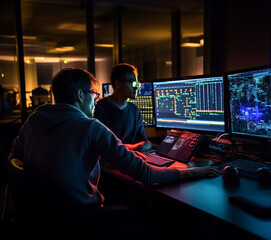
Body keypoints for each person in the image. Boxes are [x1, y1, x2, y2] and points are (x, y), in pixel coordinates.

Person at [8, 68, 217, 232]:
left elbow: (14, 160)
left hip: (40, 217)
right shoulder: (90, 127)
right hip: (81, 216)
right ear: (80, 95)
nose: (96, 101)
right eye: (94, 94)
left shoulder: (34, 120)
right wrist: (194, 172)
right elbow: (146, 174)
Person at [94, 63, 152, 152]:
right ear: (118, 84)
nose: (136, 87)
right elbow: (102, 145)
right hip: (111, 164)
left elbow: (143, 141)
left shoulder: (135, 111)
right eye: (133, 83)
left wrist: (146, 146)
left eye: (137, 83)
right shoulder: (100, 109)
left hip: (131, 160)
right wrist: (132, 148)